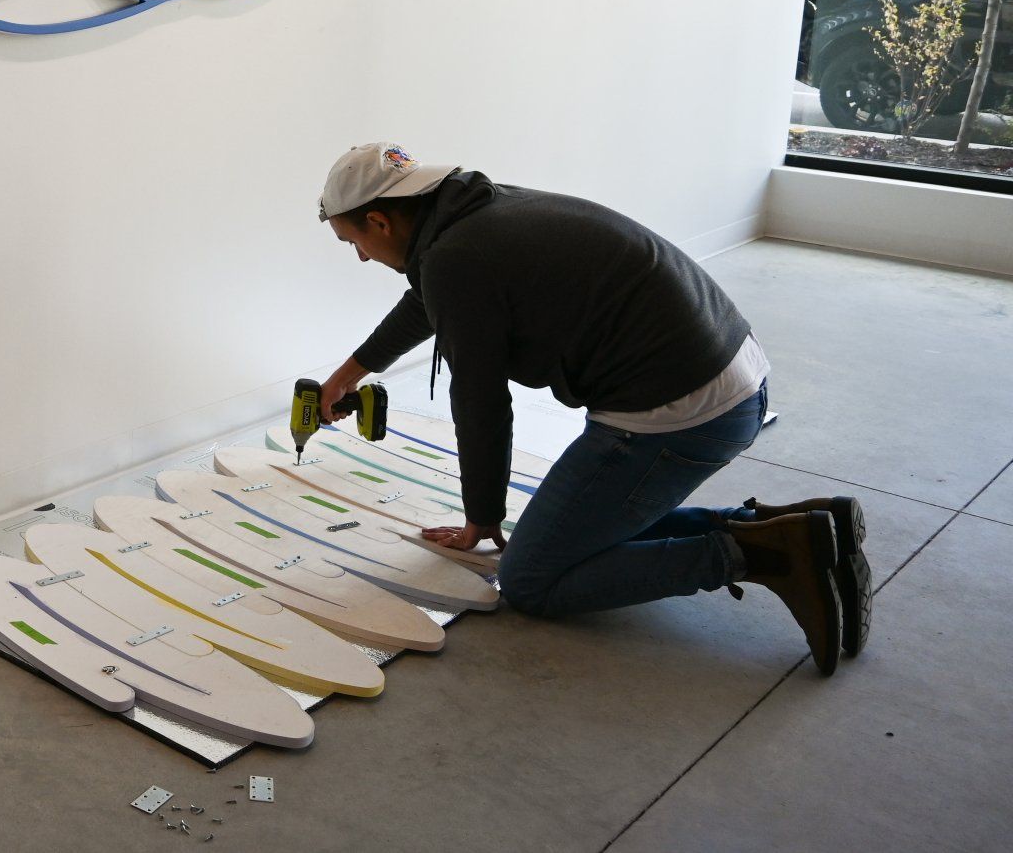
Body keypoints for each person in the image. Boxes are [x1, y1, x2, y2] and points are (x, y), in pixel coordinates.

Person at [313, 142, 871, 675]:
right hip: (733, 373)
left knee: (531, 578)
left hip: (677, 415)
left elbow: (481, 404)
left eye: (352, 242)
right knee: (569, 530)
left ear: (381, 222)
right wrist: (350, 374)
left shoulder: (455, 258)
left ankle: (760, 553)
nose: (361, 256)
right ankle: (790, 528)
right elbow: (427, 300)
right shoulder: (471, 213)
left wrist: (480, 518)